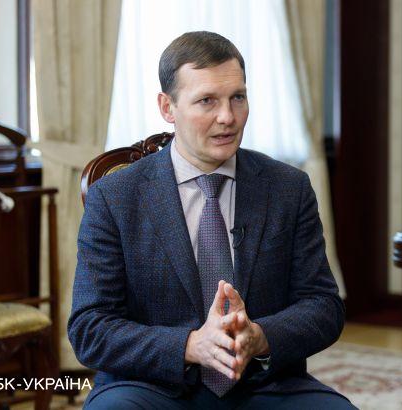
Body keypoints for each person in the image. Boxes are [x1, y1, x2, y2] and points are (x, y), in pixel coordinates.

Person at [68, 31, 353, 409]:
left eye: (238, 97)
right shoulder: (115, 197)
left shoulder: (288, 188)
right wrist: (189, 346)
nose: (228, 117)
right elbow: (90, 328)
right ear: (168, 107)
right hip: (150, 386)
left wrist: (260, 337)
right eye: (207, 101)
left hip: (264, 385)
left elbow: (323, 306)